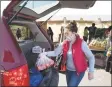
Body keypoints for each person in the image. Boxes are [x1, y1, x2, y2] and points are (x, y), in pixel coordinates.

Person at [39, 21, 95, 87]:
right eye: (65, 34)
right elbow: (55, 52)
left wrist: (91, 71)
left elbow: (91, 57)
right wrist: (45, 53)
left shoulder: (82, 43)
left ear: (74, 33)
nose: (65, 36)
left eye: (67, 33)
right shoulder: (65, 43)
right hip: (68, 71)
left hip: (78, 72)